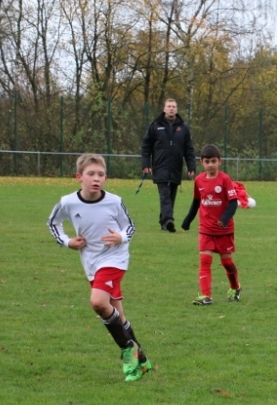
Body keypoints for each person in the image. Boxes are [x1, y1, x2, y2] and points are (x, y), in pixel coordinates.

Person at [47, 154, 153, 382]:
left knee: (98, 302)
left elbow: (130, 226)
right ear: (79, 177)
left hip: (115, 258)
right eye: (91, 174)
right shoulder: (68, 202)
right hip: (91, 262)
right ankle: (142, 361)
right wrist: (67, 241)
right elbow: (53, 223)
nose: (96, 179)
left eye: (101, 175)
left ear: (106, 178)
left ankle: (128, 350)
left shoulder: (114, 201)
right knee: (117, 315)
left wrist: (120, 237)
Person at [181, 144, 241, 306]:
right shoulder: (199, 180)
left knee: (226, 263)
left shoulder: (225, 179)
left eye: (213, 161)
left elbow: (233, 202)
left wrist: (225, 218)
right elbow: (196, 201)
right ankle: (205, 295)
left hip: (224, 230)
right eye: (207, 162)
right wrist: (188, 220)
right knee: (205, 260)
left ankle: (235, 287)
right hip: (206, 229)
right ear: (202, 162)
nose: (210, 165)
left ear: (220, 161)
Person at [140, 98, 196, 232]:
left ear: (176, 110)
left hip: (176, 167)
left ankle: (164, 222)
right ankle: (168, 220)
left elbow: (189, 149)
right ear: (164, 109)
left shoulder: (183, 128)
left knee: (171, 196)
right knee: (165, 195)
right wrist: (146, 163)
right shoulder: (155, 126)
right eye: (169, 106)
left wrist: (191, 166)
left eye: (173, 106)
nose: (171, 108)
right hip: (160, 166)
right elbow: (146, 146)